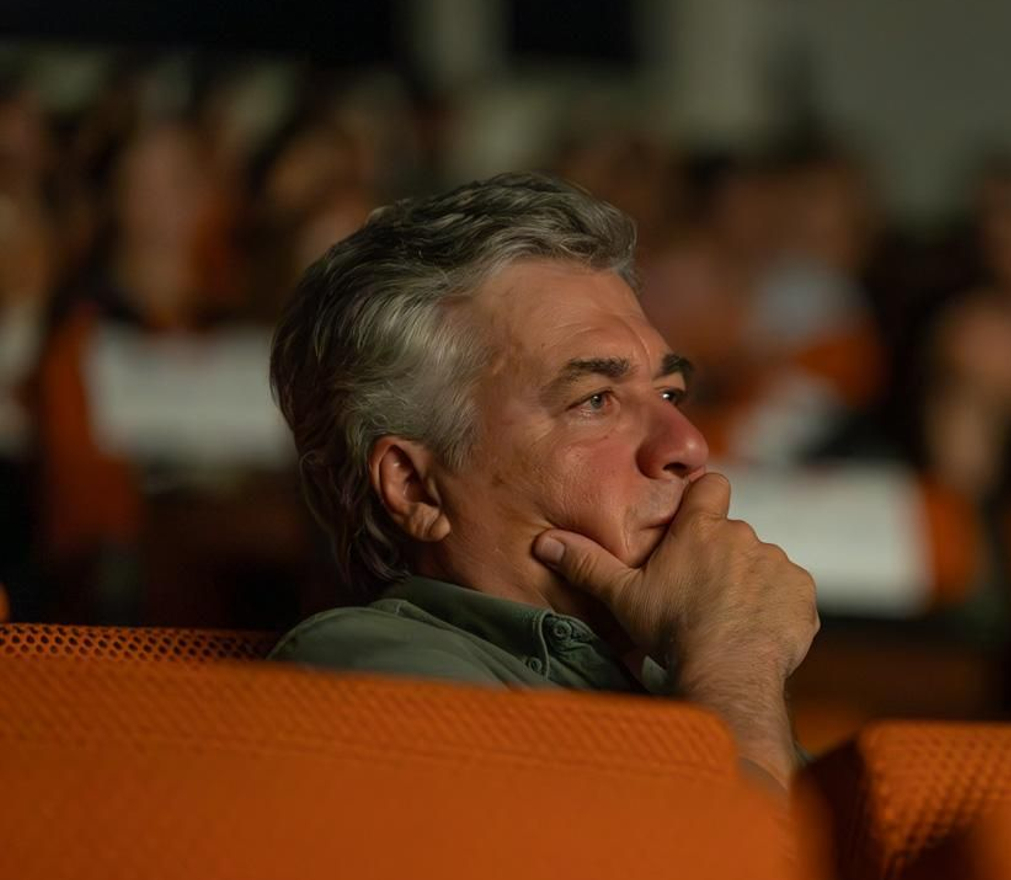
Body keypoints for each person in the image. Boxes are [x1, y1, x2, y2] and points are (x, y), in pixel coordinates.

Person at [268, 172, 819, 787]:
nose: (688, 445)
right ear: (415, 487)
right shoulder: (364, 671)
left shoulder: (678, 670)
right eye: (594, 401)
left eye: (670, 392)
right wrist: (736, 665)